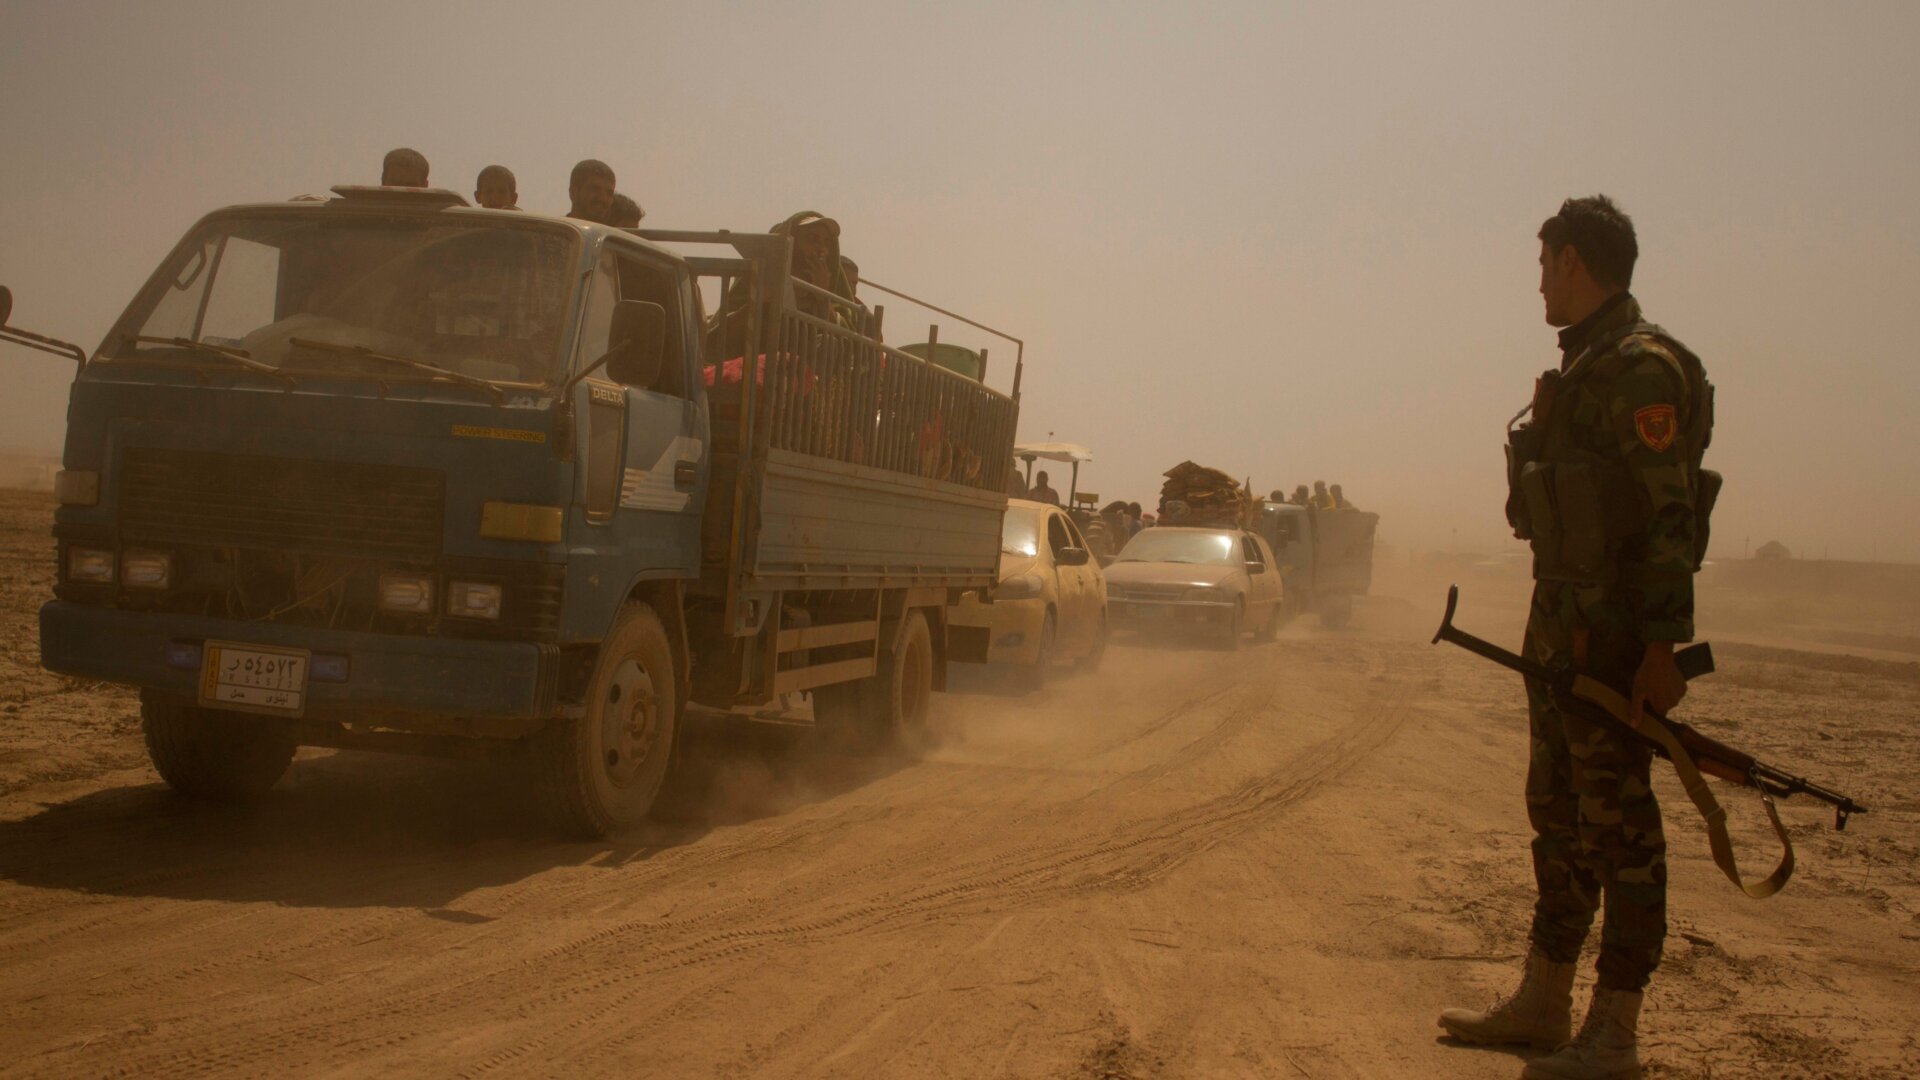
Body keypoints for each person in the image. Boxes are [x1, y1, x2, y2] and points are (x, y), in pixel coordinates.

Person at [1438, 195, 1714, 1080]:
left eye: (1545, 261)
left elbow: (1669, 521)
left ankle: (1617, 1034)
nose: (1539, 282)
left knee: (1620, 829)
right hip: (1558, 630)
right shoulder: (1583, 371)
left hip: (1612, 640)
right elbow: (1536, 514)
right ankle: (1545, 1000)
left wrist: (1664, 650)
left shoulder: (1641, 370)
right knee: (1557, 818)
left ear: (1572, 262)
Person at [567, 159, 616, 224]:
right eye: (594, 189)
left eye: (609, 193)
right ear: (573, 193)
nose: (603, 198)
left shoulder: (616, 234)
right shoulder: (553, 232)